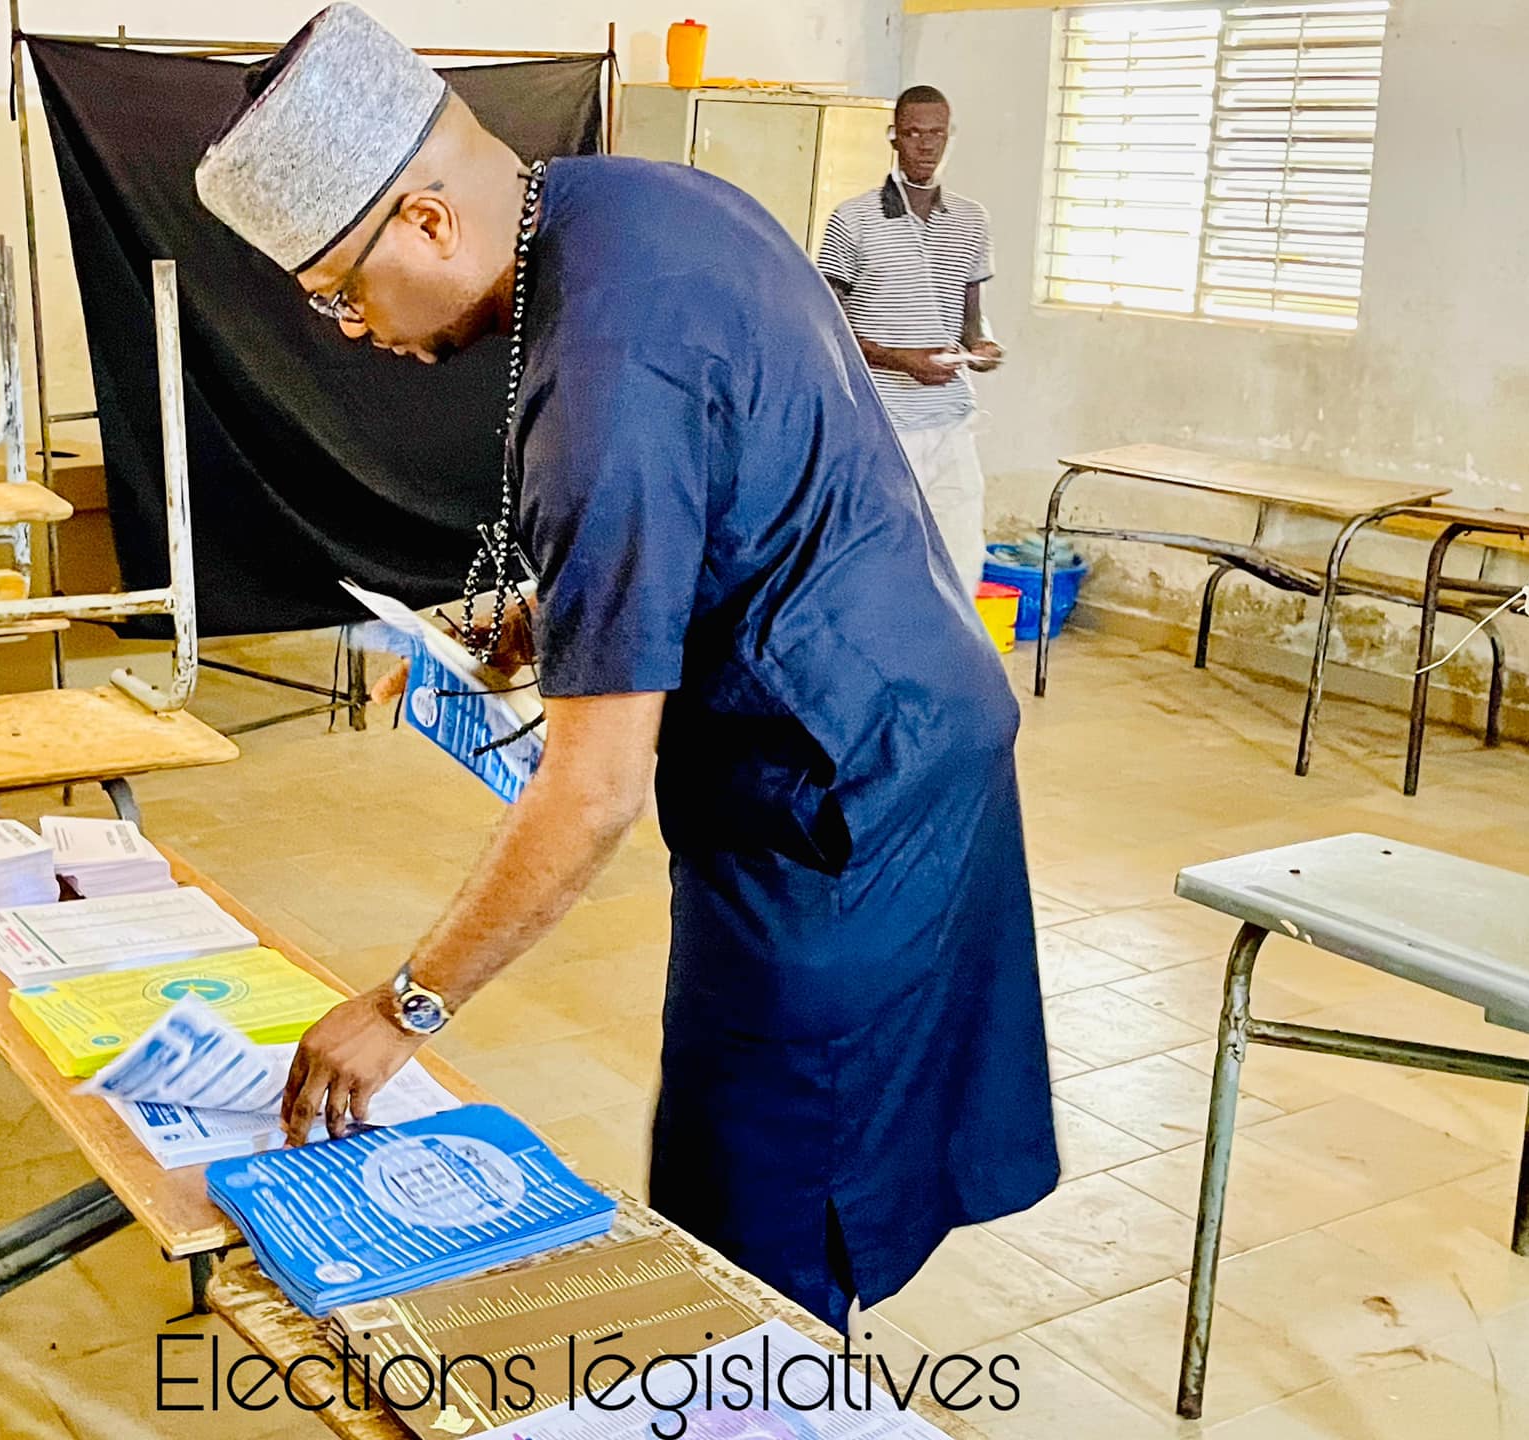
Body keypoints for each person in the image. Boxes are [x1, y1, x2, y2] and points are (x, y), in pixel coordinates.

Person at [193, 3, 1056, 1329]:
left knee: (756, 1215)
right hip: (887, 718)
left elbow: (591, 794)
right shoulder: (632, 204)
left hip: (840, 801)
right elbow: (740, 481)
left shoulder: (599, 374)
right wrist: (578, 607)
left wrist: (405, 1006)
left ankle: (777, 1397)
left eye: (338, 292)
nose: (350, 330)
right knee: (746, 1153)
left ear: (429, 223)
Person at [817, 85, 1001, 592]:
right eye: (913, 133)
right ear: (893, 137)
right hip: (883, 422)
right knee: (881, 552)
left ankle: (948, 661)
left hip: (951, 420)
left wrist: (982, 348)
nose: (925, 145)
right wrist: (902, 361)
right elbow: (825, 327)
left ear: (950, 136)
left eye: (936, 134)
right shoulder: (853, 219)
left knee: (962, 557)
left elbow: (970, 322)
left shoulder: (971, 220)